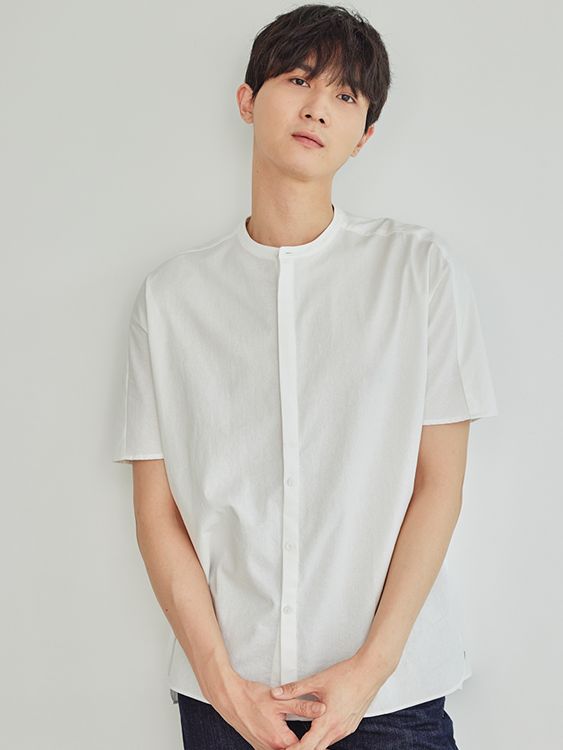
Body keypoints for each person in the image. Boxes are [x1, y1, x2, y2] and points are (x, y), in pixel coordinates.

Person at [113, 4, 498, 749]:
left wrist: (370, 671)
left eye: (345, 96)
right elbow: (157, 511)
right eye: (298, 79)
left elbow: (438, 484)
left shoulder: (416, 270)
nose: (318, 106)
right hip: (227, 703)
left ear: (364, 136)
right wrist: (222, 683)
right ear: (247, 99)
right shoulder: (171, 299)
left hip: (393, 700)